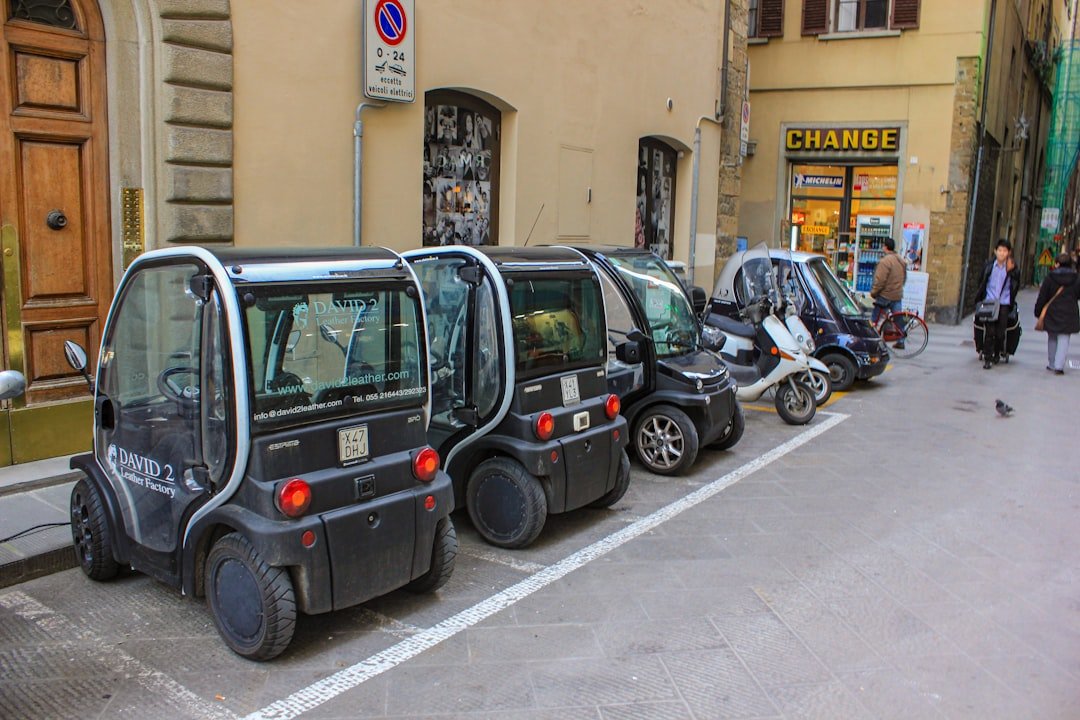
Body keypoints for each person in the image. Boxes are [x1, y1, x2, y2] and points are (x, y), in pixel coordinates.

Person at [974, 239, 1021, 369]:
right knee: (989, 331)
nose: (1001, 253)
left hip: (1004, 303)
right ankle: (987, 359)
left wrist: (1012, 271)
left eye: (1004, 251)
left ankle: (997, 353)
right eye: (999, 250)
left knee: (1000, 332)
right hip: (989, 301)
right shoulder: (989, 265)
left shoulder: (1012, 267)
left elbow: (1016, 285)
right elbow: (981, 281)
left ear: (1009, 252)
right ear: (995, 251)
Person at [1033, 253, 1080, 375]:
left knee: (1052, 336)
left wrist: (1038, 311)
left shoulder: (1050, 278)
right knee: (1064, 338)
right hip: (1069, 312)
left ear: (1057, 264)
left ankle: (1052, 363)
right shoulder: (1076, 278)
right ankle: (1059, 366)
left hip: (1052, 311)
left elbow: (1043, 296)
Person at [869, 236, 907, 348]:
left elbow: (880, 280)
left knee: (875, 319)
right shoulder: (901, 260)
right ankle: (901, 340)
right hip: (897, 294)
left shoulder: (885, 261)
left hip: (885, 295)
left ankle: (872, 339)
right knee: (898, 318)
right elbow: (904, 278)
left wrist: (874, 292)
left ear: (885, 247)